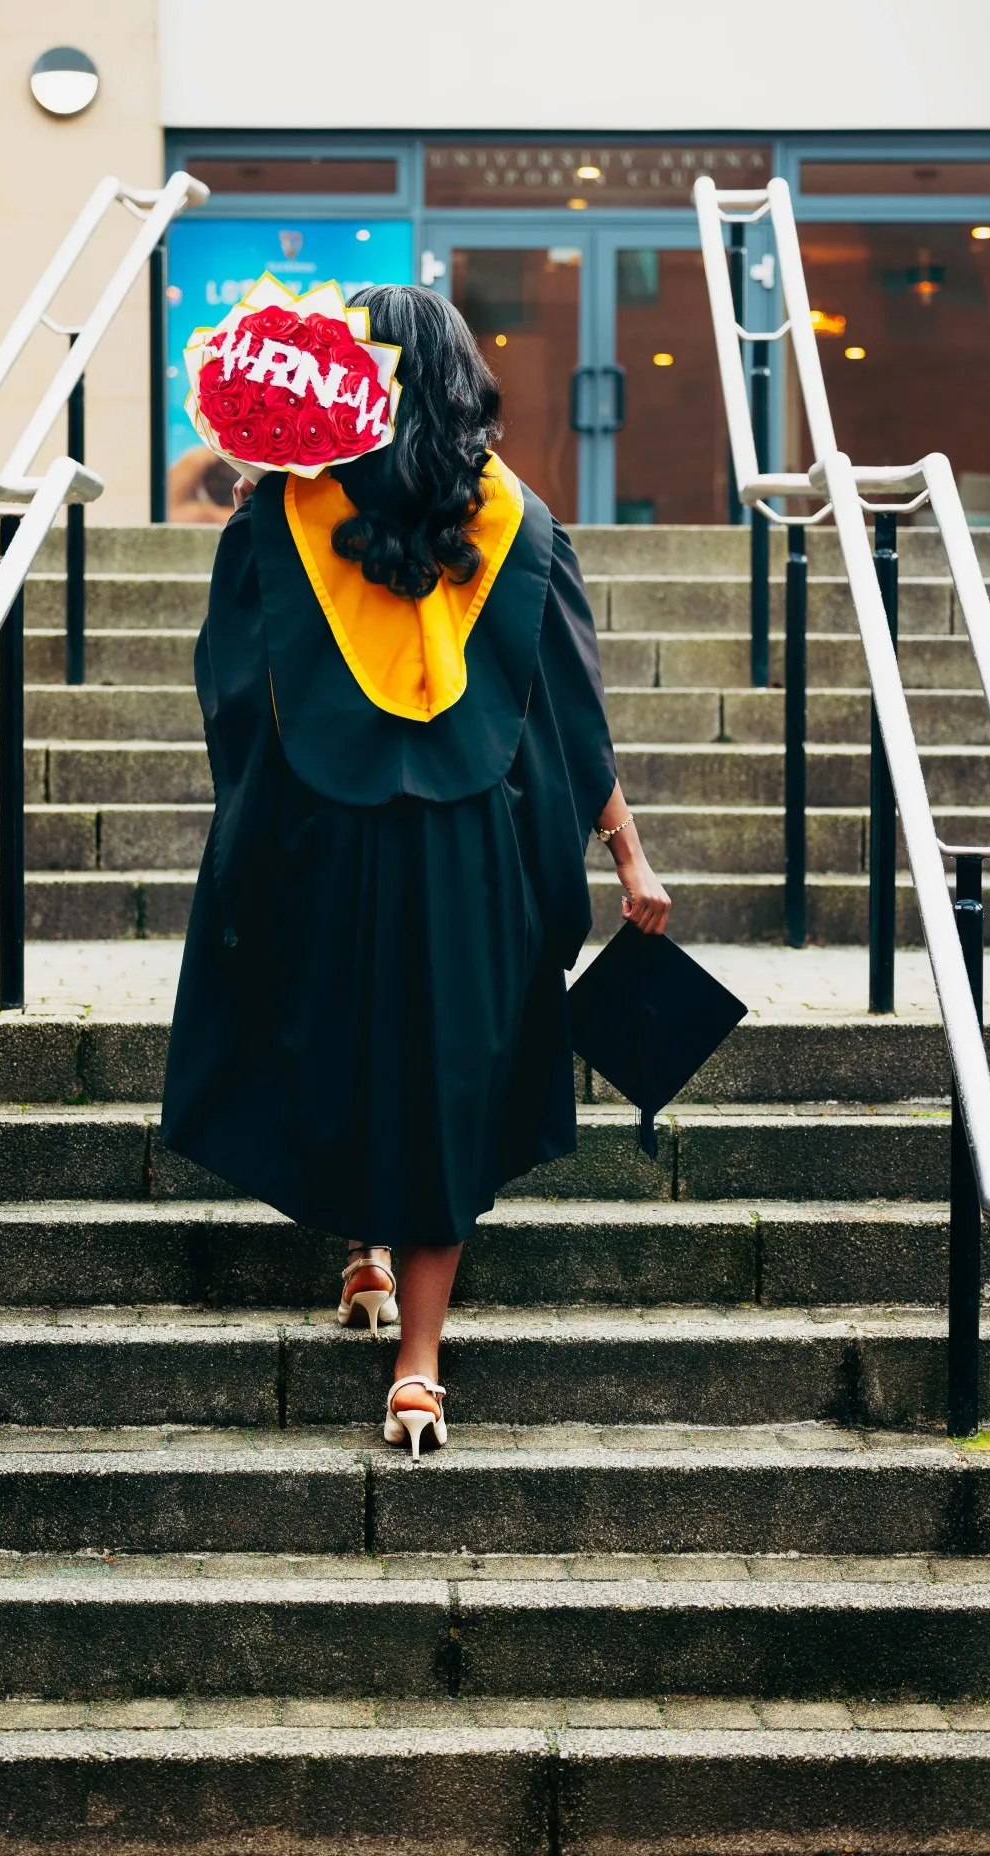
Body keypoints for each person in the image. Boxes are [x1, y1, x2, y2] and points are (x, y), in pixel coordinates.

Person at [161, 285, 671, 1461]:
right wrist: (626, 851)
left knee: (336, 1041)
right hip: (469, 851)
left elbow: (233, 693)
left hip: (324, 842)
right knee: (445, 1083)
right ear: (455, 382)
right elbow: (572, 720)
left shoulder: (283, 512)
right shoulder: (519, 522)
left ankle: (362, 1253)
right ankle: (419, 1372)